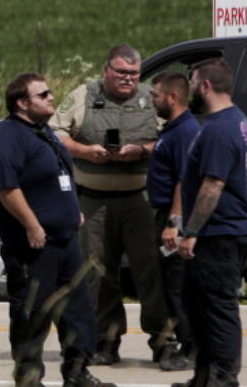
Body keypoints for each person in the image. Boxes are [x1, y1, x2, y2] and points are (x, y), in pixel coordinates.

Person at [0, 72, 117, 387]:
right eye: (43, 94)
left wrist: (72, 211)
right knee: (32, 312)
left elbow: (56, 177)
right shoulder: (7, 137)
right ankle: (29, 379)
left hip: (65, 241)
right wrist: (32, 225)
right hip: (34, 244)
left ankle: (77, 375)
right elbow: (6, 188)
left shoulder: (43, 133)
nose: (51, 98)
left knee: (79, 309)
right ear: (22, 102)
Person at [50, 43, 177, 369]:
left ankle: (163, 342)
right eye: (121, 73)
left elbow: (173, 137)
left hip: (140, 202)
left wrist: (143, 150)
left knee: (150, 273)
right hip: (93, 201)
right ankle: (106, 342)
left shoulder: (152, 99)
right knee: (97, 273)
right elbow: (53, 131)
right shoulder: (83, 95)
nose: (128, 79)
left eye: (134, 74)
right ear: (106, 70)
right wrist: (83, 150)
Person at [173, 58, 247, 387]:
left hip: (220, 232)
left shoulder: (221, 129)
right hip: (221, 230)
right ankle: (203, 378)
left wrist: (191, 230)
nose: (189, 90)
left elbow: (213, 185)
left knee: (217, 308)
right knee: (198, 305)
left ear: (205, 86)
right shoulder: (230, 121)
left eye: (192, 83)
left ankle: (224, 385)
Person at [147, 71, 201, 366]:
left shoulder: (184, 132)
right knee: (170, 286)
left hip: (173, 217)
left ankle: (192, 349)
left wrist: (174, 223)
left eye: (155, 95)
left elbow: (184, 179)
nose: (152, 101)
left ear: (173, 97)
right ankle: (187, 343)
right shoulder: (172, 129)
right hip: (164, 214)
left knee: (179, 287)